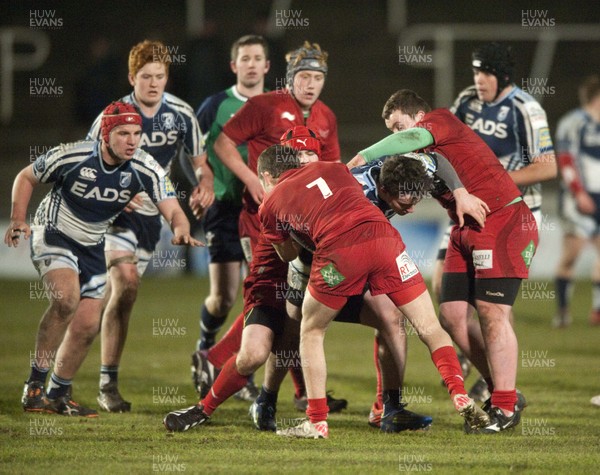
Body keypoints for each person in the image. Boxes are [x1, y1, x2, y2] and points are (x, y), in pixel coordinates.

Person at [164, 145, 486, 437]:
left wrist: (307, 235)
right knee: (427, 326)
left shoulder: (270, 204)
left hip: (335, 257)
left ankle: (318, 419)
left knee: (310, 330)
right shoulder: (335, 167)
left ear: (267, 176)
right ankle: (458, 393)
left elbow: (288, 254)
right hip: (384, 242)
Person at [349, 88, 550, 433]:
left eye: (398, 126)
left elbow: (413, 138)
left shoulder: (438, 120)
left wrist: (361, 155)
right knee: (452, 316)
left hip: (502, 220)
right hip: (464, 228)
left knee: (492, 312)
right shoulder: (423, 156)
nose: (398, 137)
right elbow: (434, 165)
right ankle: (504, 391)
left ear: (415, 115)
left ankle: (503, 406)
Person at [10, 102, 202, 417]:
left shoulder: (146, 166)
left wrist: (180, 229)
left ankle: (57, 395)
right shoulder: (72, 154)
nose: (132, 140)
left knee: (87, 324)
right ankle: (34, 388)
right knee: (67, 300)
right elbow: (26, 176)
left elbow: (174, 209)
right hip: (53, 232)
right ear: (104, 134)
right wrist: (19, 218)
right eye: (123, 133)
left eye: (137, 133)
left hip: (92, 245)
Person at [210, 40, 343, 408]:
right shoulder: (265, 105)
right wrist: (251, 179)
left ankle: (299, 391)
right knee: (270, 294)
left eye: (318, 77)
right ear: (290, 78)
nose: (311, 84)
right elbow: (221, 144)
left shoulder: (326, 117)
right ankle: (218, 361)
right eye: (304, 76)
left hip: (302, 225)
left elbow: (333, 171)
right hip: (261, 221)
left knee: (295, 300)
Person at [86, 40, 210, 412]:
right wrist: (116, 193)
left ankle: (103, 377)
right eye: (146, 77)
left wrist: (204, 184)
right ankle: (102, 384)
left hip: (148, 220)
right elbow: (87, 166)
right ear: (131, 78)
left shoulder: (181, 115)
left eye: (160, 76)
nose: (154, 84)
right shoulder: (113, 116)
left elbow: (199, 163)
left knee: (119, 297)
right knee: (126, 281)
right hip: (109, 215)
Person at [434, 41, 556, 399]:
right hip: (465, 210)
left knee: (494, 305)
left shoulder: (525, 108)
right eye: (475, 71)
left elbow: (548, 167)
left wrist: (495, 181)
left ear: (502, 76)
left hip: (510, 215)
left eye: (485, 72)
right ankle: (484, 368)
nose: (479, 79)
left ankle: (500, 387)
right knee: (447, 299)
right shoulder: (466, 102)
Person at [187, 35, 270, 401]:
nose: (251, 64)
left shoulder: (277, 106)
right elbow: (191, 153)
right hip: (224, 208)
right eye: (245, 58)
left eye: (258, 58)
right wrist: (202, 182)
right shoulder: (214, 105)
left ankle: (241, 370)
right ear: (234, 66)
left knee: (259, 295)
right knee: (223, 298)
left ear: (267, 66)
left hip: (264, 210)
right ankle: (205, 349)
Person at [553, 75, 600, 327]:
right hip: (577, 198)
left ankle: (597, 310)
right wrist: (578, 192)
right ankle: (562, 310)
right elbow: (566, 159)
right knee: (572, 253)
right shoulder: (573, 122)